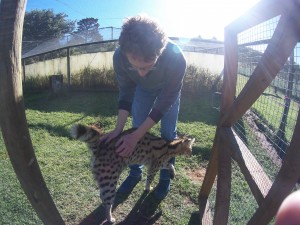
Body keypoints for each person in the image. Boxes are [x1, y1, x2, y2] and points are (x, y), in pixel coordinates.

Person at [100, 15, 187, 200]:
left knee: (168, 132)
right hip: (142, 90)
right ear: (125, 53)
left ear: (160, 52)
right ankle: (135, 172)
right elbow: (126, 91)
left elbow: (165, 102)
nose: (142, 73)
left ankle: (165, 175)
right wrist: (118, 129)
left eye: (149, 67)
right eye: (136, 67)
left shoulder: (177, 58)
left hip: (167, 92)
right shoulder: (119, 57)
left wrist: (137, 135)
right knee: (136, 125)